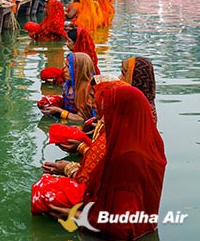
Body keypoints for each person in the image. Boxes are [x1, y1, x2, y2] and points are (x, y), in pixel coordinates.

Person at [51, 86, 166, 240]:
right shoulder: (150, 144)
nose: (106, 120)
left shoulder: (127, 158)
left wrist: (77, 216)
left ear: (121, 114)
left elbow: (123, 228)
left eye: (109, 113)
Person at [34, 77, 128, 215]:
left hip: (106, 209)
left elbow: (103, 184)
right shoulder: (109, 124)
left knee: (43, 192)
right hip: (100, 196)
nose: (90, 103)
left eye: (94, 97)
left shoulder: (121, 138)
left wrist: (69, 168)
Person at [40, 52, 95, 122]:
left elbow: (82, 119)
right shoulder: (69, 83)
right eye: (65, 66)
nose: (64, 70)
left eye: (69, 67)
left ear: (79, 70)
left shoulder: (86, 90)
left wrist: (59, 111)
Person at [120, 57, 157, 123]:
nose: (119, 78)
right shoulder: (146, 106)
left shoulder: (139, 112)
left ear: (134, 78)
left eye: (124, 74)